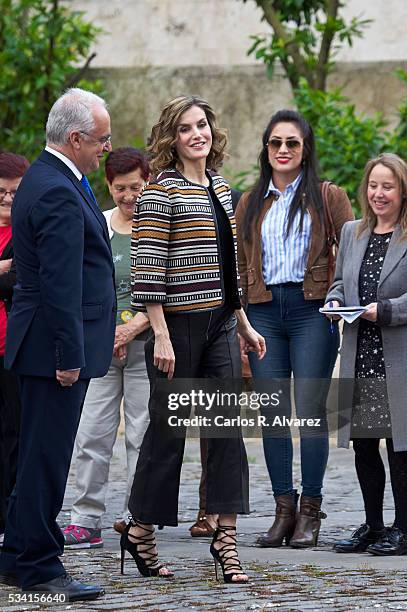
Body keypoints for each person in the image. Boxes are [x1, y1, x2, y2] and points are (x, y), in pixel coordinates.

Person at [120, 95, 265, 583]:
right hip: (176, 330)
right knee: (168, 436)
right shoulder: (160, 191)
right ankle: (140, 530)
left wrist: (243, 321)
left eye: (201, 125)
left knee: (226, 434)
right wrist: (159, 334)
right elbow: (148, 270)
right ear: (171, 138)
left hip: (221, 323)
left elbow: (231, 266)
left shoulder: (221, 188)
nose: (196, 134)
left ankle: (226, 541)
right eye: (185, 129)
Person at [0, 88, 116, 601]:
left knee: (37, 458)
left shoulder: (56, 178)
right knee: (45, 460)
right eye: (101, 140)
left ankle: (20, 554)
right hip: (53, 350)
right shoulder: (53, 188)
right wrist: (70, 357)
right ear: (74, 138)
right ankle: (38, 568)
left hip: (43, 343)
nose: (105, 149)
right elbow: (60, 282)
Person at [235, 109, 353, 549]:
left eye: (292, 143)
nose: (283, 150)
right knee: (271, 415)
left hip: (312, 312)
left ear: (305, 150)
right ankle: (283, 510)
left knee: (310, 412)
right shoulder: (249, 202)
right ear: (266, 149)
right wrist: (241, 321)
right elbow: (238, 266)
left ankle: (310, 513)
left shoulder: (327, 196)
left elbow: (354, 251)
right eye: (275, 143)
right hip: (263, 313)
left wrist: (341, 298)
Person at [63, 147, 151, 548]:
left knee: (140, 433)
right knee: (92, 434)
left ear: (148, 181)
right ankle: (84, 518)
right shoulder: (97, 224)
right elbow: (85, 284)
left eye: (136, 186)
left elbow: (171, 288)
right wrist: (103, 333)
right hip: (99, 348)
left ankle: (137, 515)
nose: (129, 195)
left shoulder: (158, 227)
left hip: (147, 346)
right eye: (120, 188)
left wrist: (130, 330)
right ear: (108, 187)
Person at [326, 153, 407, 556]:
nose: (378, 193)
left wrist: (387, 309)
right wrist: (335, 300)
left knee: (400, 446)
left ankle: (404, 528)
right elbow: (340, 281)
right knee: (363, 444)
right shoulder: (352, 232)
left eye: (387, 186)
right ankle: (373, 526)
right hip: (359, 355)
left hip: (398, 356)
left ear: (402, 190)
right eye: (373, 185)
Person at [189, 187, 244, 539]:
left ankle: (218, 517)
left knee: (221, 424)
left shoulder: (232, 198)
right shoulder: (173, 194)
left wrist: (245, 324)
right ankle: (144, 521)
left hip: (227, 319)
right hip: (186, 321)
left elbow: (240, 269)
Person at [0, 152, 29, 540]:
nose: (7, 199)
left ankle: (12, 517)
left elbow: (21, 282)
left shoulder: (28, 232)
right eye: (0, 192)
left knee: (15, 436)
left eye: (15, 193)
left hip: (14, 349)